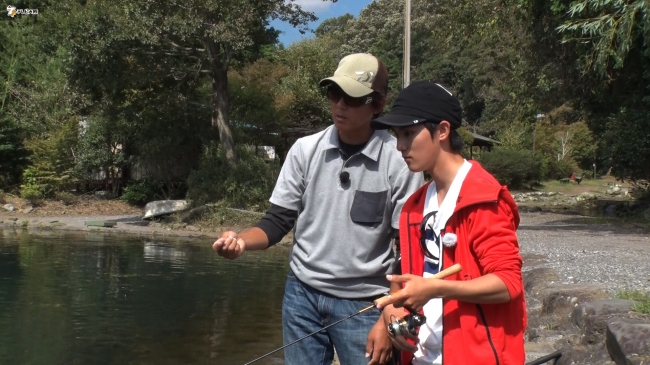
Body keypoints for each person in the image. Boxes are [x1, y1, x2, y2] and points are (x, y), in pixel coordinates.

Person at [212, 53, 424, 365]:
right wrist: (241, 242)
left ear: (377, 104)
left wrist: (388, 313)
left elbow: (407, 245)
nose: (340, 105)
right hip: (302, 296)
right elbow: (278, 220)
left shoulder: (399, 159)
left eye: (352, 97)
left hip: (367, 303)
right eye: (334, 94)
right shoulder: (305, 150)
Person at [371, 81, 527, 364]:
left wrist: (436, 288)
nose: (399, 146)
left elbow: (508, 283)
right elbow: (409, 277)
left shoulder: (483, 197)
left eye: (408, 133)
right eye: (397, 135)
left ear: (442, 130)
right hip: (421, 357)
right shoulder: (414, 206)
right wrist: (389, 314)